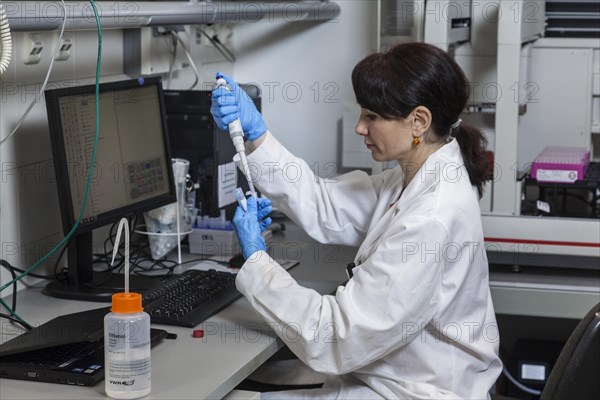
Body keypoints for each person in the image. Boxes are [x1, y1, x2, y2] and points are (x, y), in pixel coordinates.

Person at [210, 42, 502, 399]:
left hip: (416, 391)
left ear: (419, 121)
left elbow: (335, 337)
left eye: (372, 117)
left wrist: (257, 263)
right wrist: (257, 139)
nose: (359, 128)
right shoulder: (417, 173)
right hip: (387, 376)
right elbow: (326, 203)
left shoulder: (432, 218)